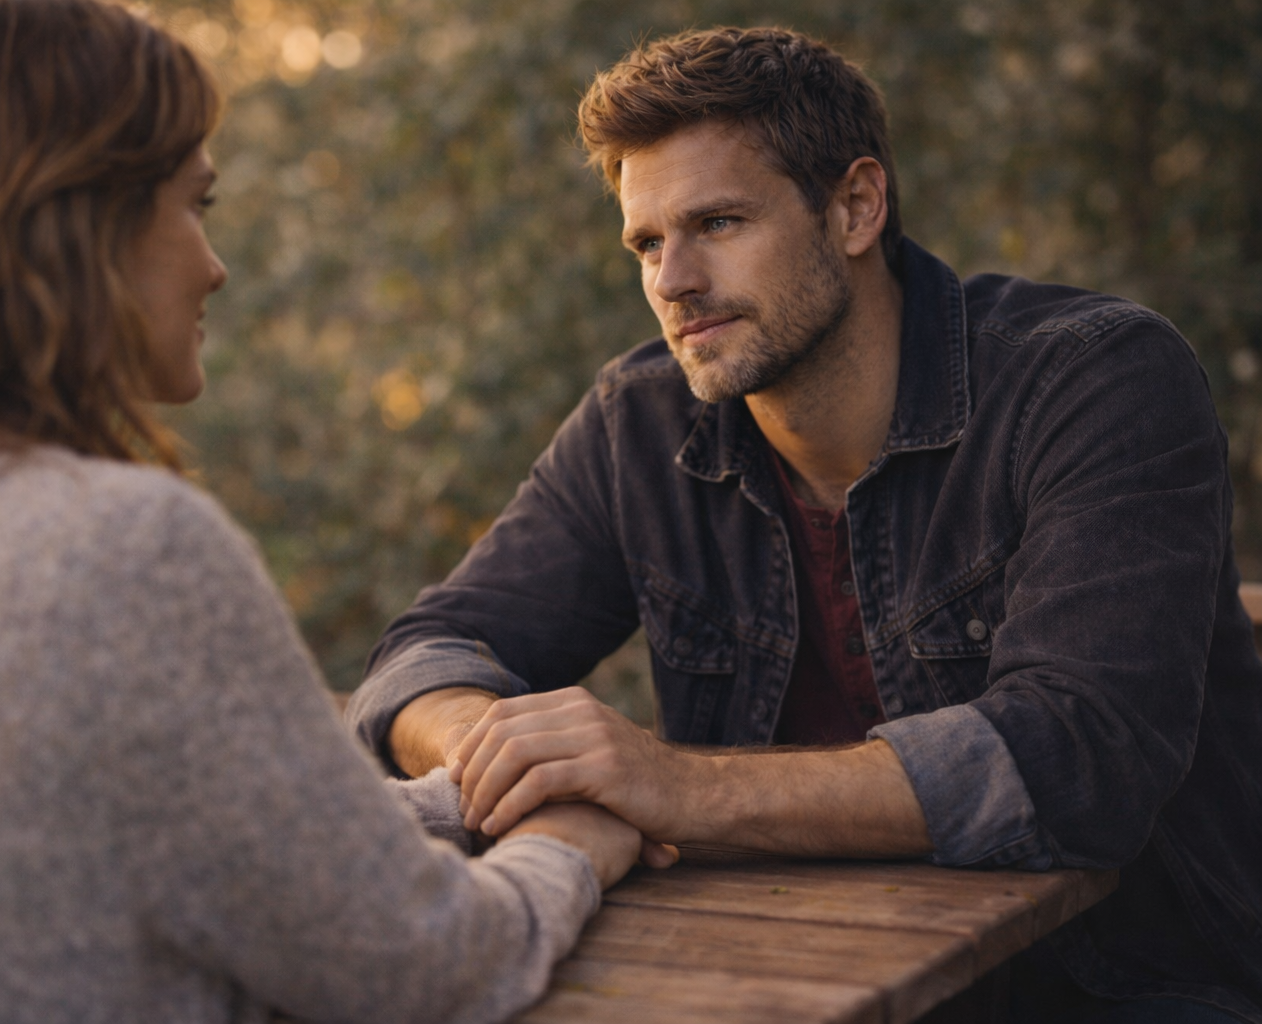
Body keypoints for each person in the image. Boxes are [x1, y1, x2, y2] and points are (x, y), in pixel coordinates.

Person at [0, 1, 646, 1021]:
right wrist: (568, 848)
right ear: (81, 217)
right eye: (195, 205)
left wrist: (464, 800)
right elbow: (430, 964)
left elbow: (193, 826)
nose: (213, 266)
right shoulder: (120, 547)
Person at [346, 26, 1262, 1023]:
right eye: (647, 242)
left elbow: (1079, 757)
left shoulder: (1092, 380)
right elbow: (422, 656)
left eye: (719, 223)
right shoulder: (639, 424)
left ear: (857, 207)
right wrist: (517, 757)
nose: (671, 281)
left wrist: (671, 785)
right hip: (778, 979)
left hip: (1117, 986)